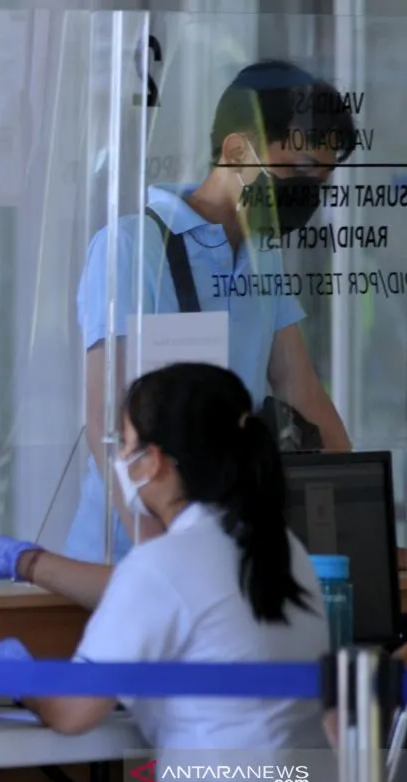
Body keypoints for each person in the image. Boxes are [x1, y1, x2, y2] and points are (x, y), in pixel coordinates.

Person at [0, 362, 331, 782]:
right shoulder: (282, 548)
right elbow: (168, 598)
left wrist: (20, 681)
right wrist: (29, 563)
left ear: (154, 462)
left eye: (126, 445)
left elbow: (72, 712)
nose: (120, 461)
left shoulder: (165, 564)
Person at [67, 59, 354, 566]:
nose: (308, 190)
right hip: (126, 553)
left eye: (321, 178)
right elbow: (104, 420)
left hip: (221, 542)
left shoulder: (265, 254)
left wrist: (357, 512)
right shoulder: (132, 248)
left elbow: (301, 390)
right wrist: (159, 545)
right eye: (298, 169)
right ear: (236, 150)